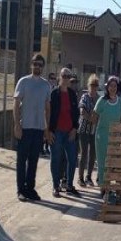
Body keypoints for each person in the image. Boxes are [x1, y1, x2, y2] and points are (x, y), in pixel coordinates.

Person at [13, 53, 51, 202]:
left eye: (40, 64)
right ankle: (21, 190)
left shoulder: (45, 85)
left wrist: (46, 129)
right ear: (31, 65)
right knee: (21, 160)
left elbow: (47, 108)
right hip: (25, 127)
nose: (37, 66)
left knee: (34, 160)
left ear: (43, 67)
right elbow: (16, 104)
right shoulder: (23, 82)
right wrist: (17, 125)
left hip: (38, 128)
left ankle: (30, 189)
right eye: (35, 63)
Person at [48, 68, 81, 198]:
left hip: (70, 132)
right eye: (64, 76)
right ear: (59, 77)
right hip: (56, 131)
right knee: (55, 159)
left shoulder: (72, 94)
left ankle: (69, 185)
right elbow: (48, 112)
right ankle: (55, 186)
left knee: (72, 159)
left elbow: (76, 113)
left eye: (68, 76)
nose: (66, 78)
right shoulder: (53, 94)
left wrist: (74, 128)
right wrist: (48, 131)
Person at [92, 76, 121, 198]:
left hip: (114, 137)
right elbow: (94, 117)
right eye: (110, 86)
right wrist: (100, 130)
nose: (112, 88)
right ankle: (103, 187)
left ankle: (109, 186)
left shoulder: (120, 101)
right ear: (107, 87)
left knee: (111, 163)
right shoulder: (102, 100)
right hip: (102, 137)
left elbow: (120, 120)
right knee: (102, 163)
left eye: (115, 86)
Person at [77, 74, 99, 187]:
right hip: (84, 129)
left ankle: (89, 177)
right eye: (92, 84)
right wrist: (91, 119)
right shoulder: (84, 96)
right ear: (88, 85)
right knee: (84, 154)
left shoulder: (100, 99)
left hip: (94, 131)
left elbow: (100, 114)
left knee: (93, 155)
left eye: (96, 85)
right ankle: (80, 178)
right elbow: (82, 111)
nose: (94, 87)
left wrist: (94, 119)